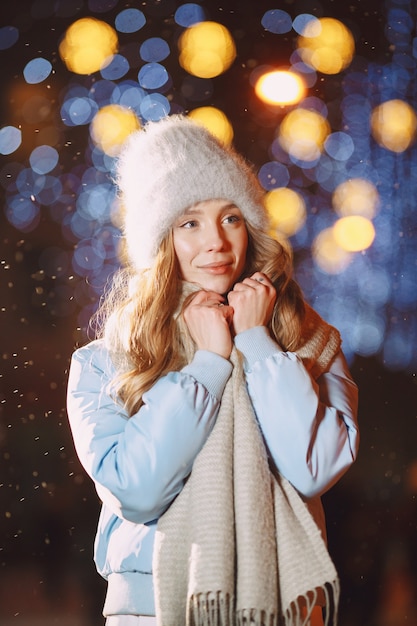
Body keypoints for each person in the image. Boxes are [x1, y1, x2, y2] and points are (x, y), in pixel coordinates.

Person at [67, 114, 359, 626]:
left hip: (283, 608)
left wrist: (258, 343)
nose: (216, 243)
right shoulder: (106, 362)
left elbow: (314, 469)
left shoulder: (310, 342)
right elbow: (136, 491)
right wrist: (206, 367)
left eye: (231, 217)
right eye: (189, 223)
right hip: (153, 610)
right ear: (161, 242)